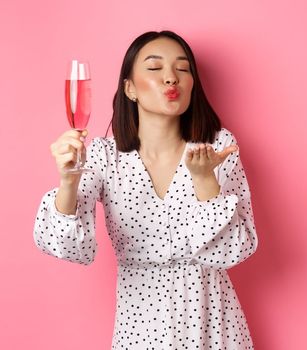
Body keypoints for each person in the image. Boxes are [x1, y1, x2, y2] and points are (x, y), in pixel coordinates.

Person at [33, 30, 259, 349]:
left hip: (212, 323)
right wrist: (68, 180)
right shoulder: (102, 157)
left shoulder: (218, 147)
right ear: (130, 88)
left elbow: (235, 250)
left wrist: (205, 180)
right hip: (140, 326)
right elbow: (69, 248)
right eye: (154, 69)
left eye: (183, 69)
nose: (171, 78)